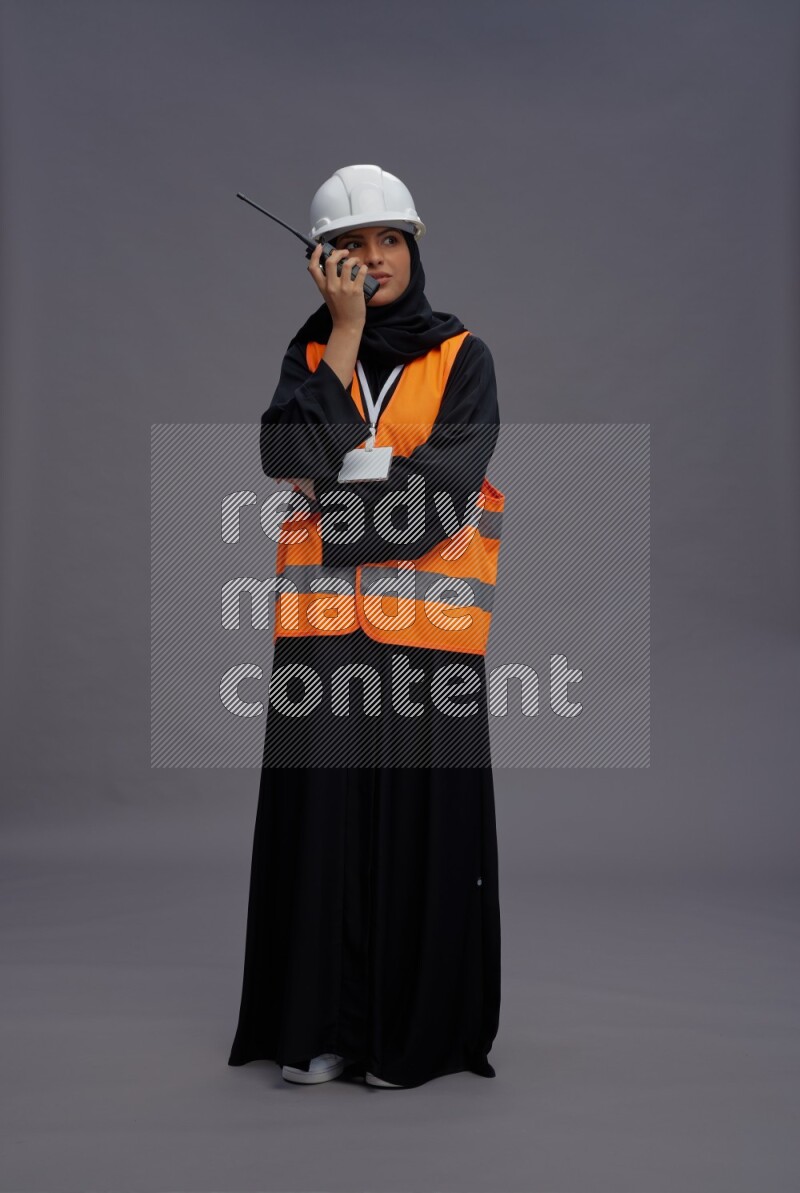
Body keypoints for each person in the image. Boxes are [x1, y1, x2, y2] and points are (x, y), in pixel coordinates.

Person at [227, 164, 504, 1089]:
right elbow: (283, 454)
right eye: (350, 246)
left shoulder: (463, 355)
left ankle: (409, 1041)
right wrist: (344, 338)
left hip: (431, 645)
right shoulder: (311, 355)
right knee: (323, 832)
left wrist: (336, 494)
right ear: (322, 263)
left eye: (389, 239)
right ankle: (319, 1031)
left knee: (420, 835)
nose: (372, 259)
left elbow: (444, 500)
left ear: (413, 248)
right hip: (321, 639)